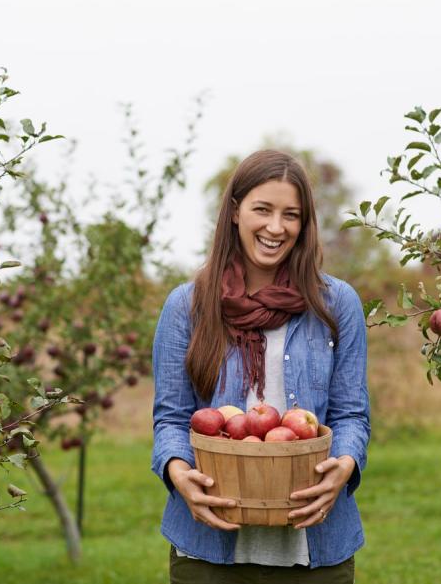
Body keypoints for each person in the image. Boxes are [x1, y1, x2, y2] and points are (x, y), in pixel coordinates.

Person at [151, 149, 370, 583]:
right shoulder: (188, 306)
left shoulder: (335, 304)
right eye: (262, 210)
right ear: (235, 212)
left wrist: (344, 465)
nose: (276, 227)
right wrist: (179, 475)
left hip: (314, 547)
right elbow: (171, 418)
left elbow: (351, 415)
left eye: (291, 215)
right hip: (208, 548)